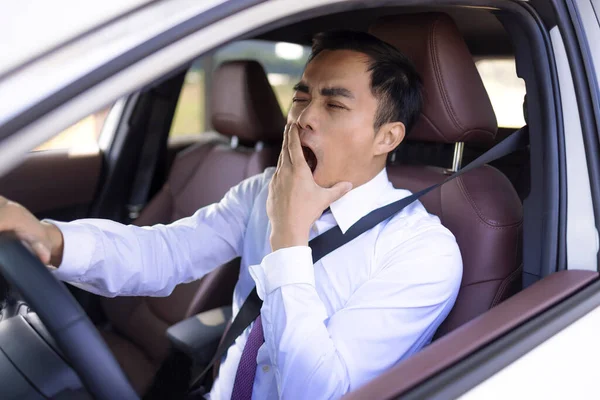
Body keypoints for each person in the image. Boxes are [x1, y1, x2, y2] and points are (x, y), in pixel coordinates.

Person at [0, 31, 462, 399]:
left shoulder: (423, 253)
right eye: (302, 97)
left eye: (335, 104)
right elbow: (165, 253)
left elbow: (318, 391)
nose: (303, 118)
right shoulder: (262, 190)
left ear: (387, 137)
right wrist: (49, 238)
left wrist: (288, 235)